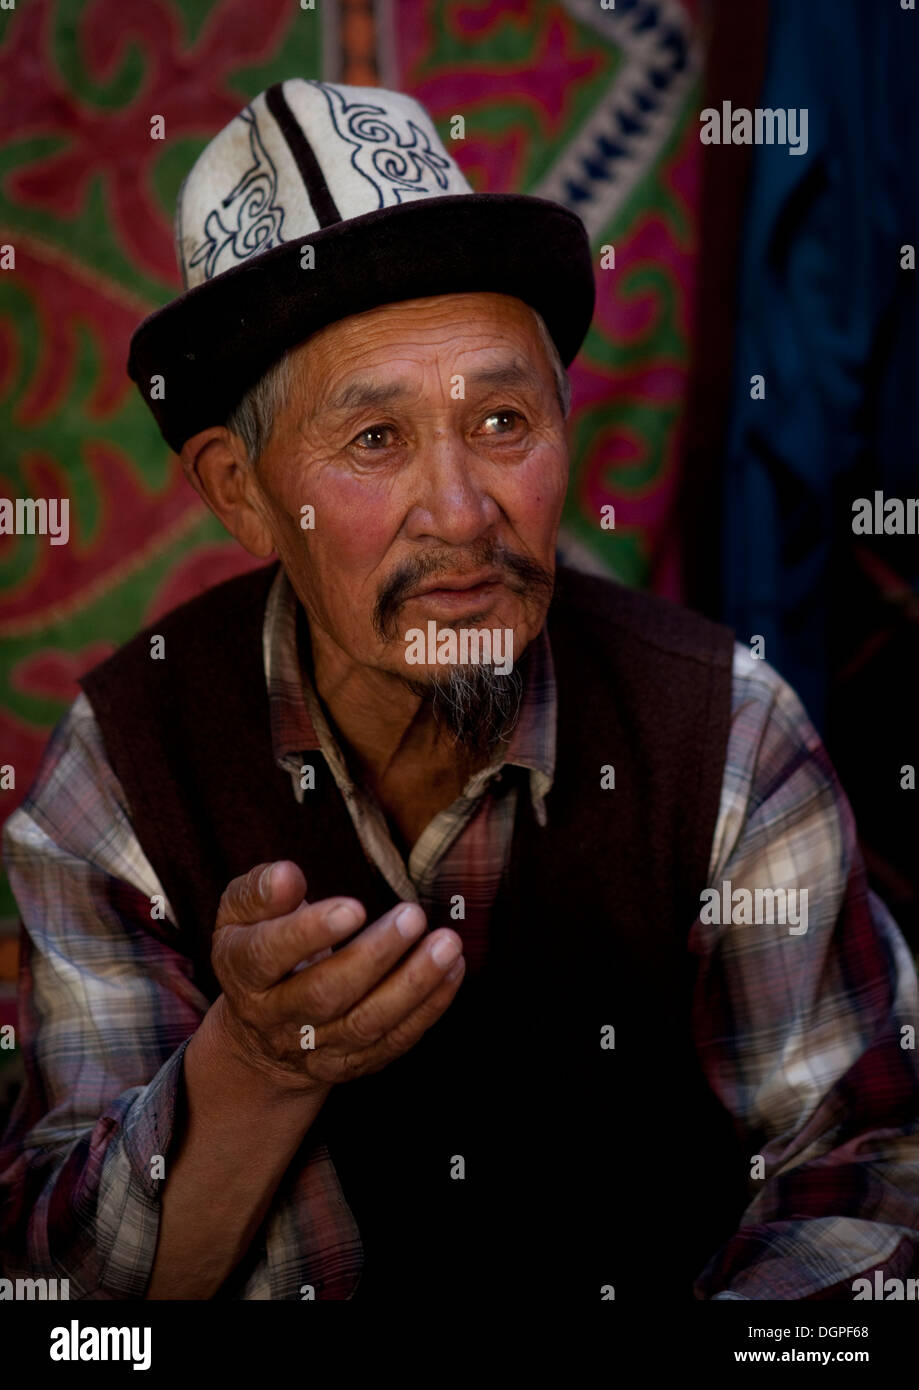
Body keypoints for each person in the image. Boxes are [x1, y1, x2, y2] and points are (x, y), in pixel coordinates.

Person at [2, 79, 918, 1304]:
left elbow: (863, 1176)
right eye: (374, 441)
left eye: (500, 418)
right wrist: (257, 1065)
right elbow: (70, 1307)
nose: (463, 511)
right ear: (240, 491)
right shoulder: (120, 771)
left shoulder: (729, 739)